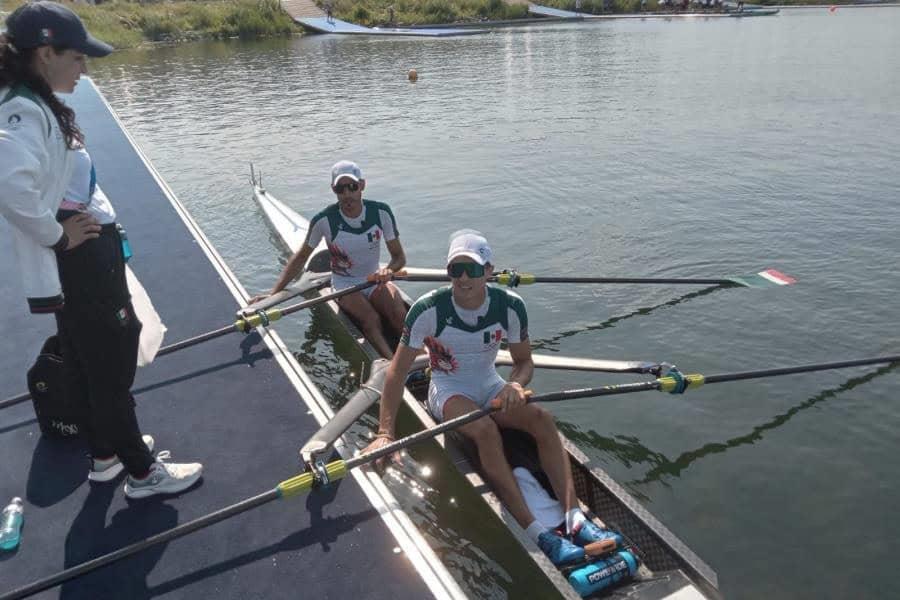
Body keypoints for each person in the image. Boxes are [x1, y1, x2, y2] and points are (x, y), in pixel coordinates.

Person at [0, 2, 202, 498]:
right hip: (81, 259)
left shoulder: (33, 99)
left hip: (84, 256)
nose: (85, 68)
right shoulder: (22, 110)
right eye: (77, 57)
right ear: (46, 53)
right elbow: (8, 182)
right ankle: (141, 472)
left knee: (88, 357)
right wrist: (56, 234)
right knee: (110, 363)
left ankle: (105, 456)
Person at [363, 230, 620, 566]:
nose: (464, 278)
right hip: (448, 389)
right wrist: (386, 432)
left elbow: (524, 362)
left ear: (488, 270)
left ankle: (575, 518)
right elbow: (396, 373)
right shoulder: (427, 309)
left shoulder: (511, 306)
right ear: (449, 273)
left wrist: (515, 385)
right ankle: (535, 531)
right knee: (485, 430)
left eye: (472, 269)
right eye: (456, 270)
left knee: (542, 419)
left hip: (490, 383)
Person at [250, 161, 408, 358]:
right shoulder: (323, 220)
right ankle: (393, 365)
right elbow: (301, 259)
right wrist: (274, 295)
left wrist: (389, 271)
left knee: (400, 314)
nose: (347, 194)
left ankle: (423, 357)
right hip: (344, 284)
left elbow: (399, 257)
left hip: (374, 278)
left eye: (352, 187)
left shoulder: (381, 212)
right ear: (334, 190)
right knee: (371, 319)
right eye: (341, 189)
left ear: (362, 186)